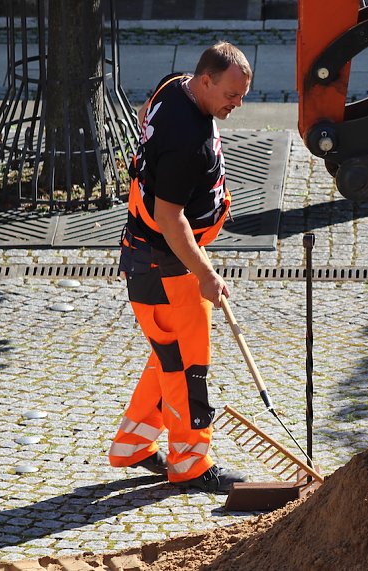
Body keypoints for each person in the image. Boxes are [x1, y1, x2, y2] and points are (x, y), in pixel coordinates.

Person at [108, 41, 252, 493]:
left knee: (167, 357)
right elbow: (170, 218)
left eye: (243, 93)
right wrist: (205, 274)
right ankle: (189, 462)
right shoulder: (187, 142)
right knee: (187, 367)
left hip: (161, 260)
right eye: (231, 94)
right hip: (167, 266)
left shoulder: (174, 86)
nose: (238, 103)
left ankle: (132, 443)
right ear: (205, 81)